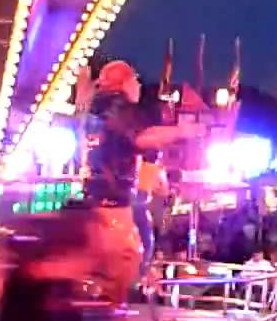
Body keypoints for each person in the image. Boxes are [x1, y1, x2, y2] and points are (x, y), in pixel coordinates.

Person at [85, 61, 202, 289]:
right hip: (114, 201)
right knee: (132, 252)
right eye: (134, 80)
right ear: (123, 83)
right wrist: (182, 132)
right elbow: (140, 136)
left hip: (101, 195)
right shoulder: (117, 107)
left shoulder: (98, 108)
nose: (138, 85)